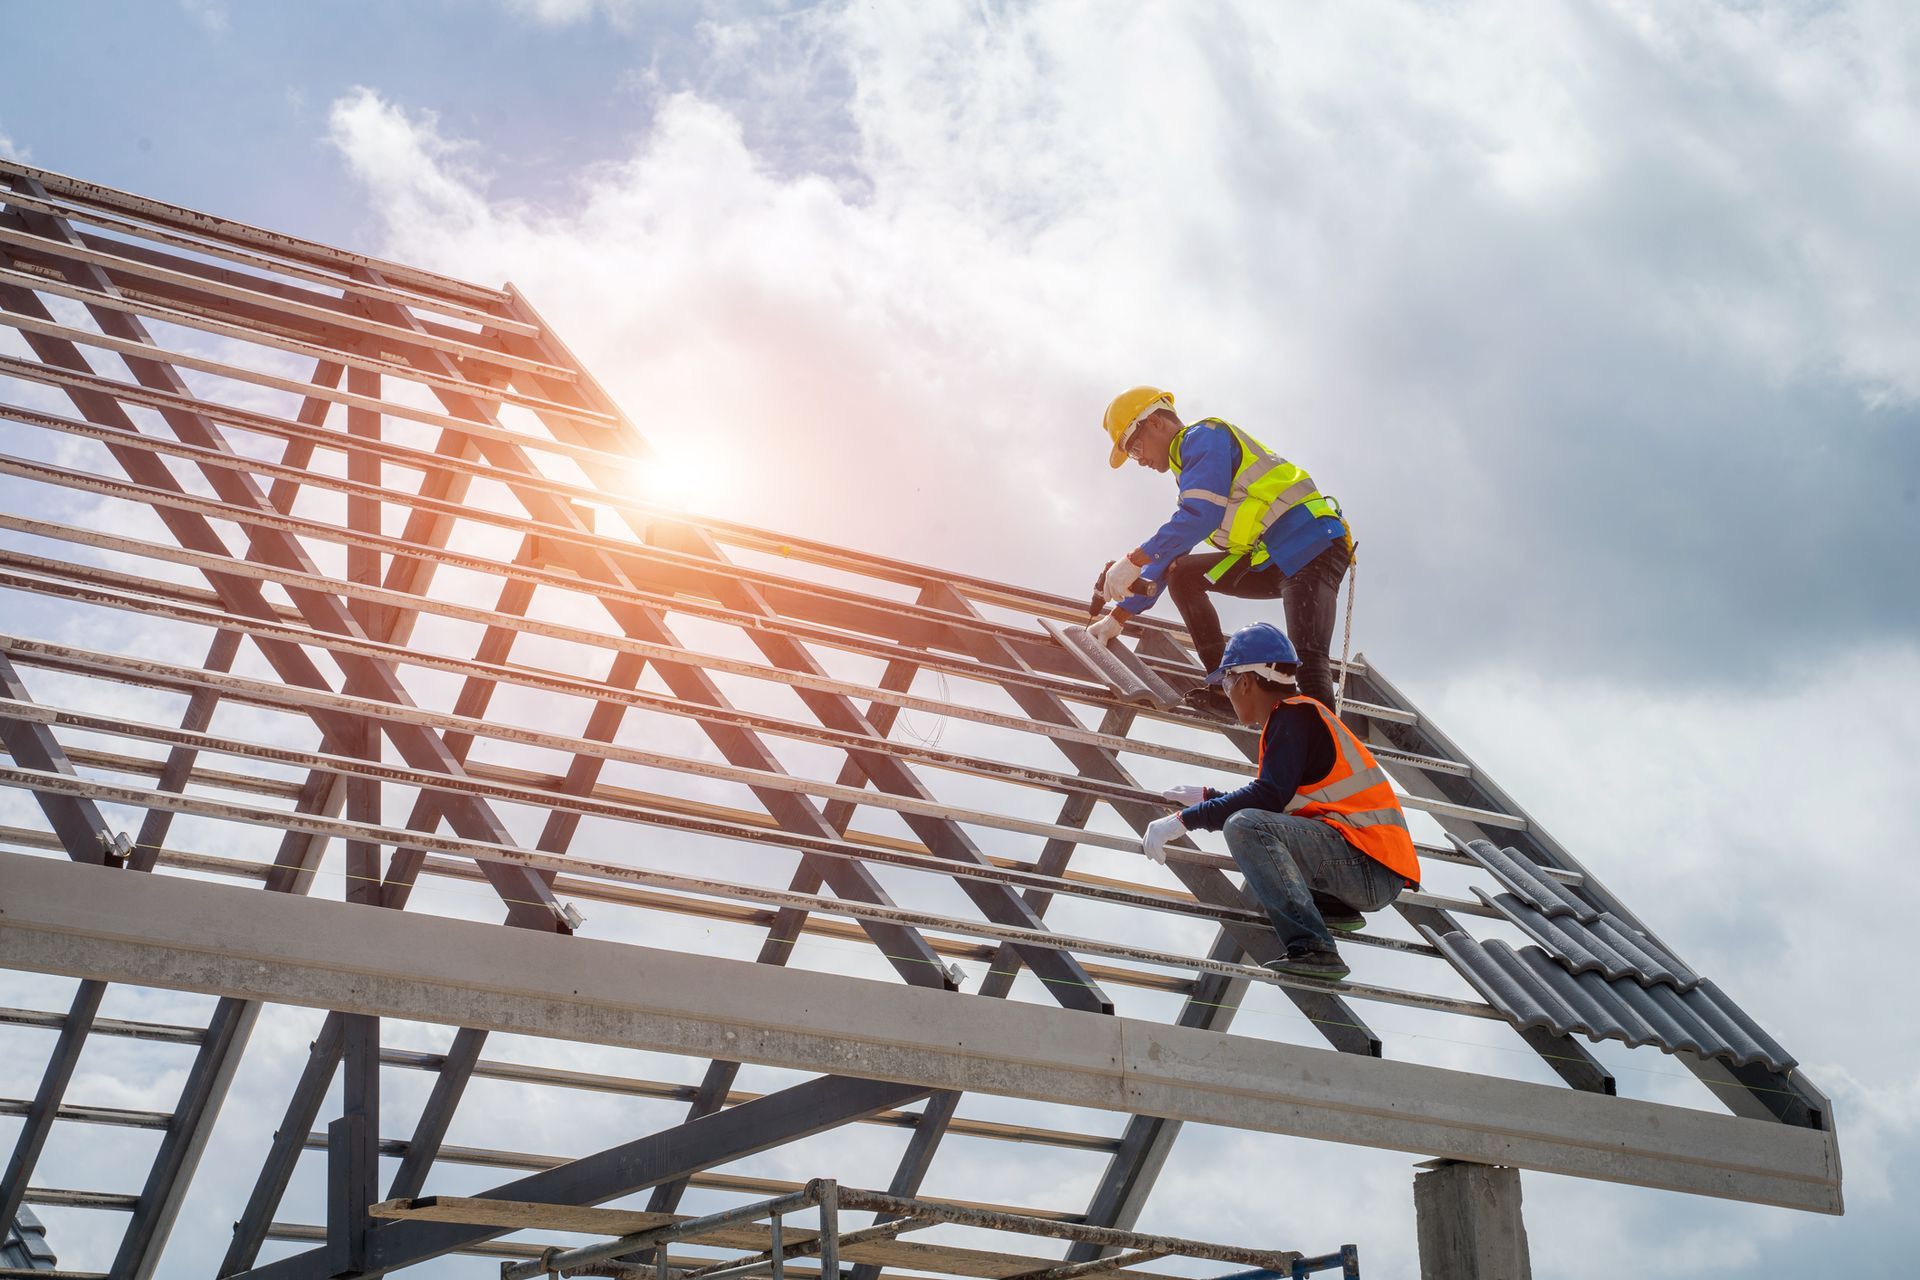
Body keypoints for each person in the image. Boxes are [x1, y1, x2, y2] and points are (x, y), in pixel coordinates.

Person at [1137, 622, 1420, 980]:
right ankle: (1331, 907)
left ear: (1245, 681)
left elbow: (1267, 799)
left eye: (1225, 682)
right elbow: (1280, 803)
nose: (1226, 692)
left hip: (1366, 867)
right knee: (1252, 824)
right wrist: (1210, 798)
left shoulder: (1293, 716)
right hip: (1368, 867)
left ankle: (1313, 946)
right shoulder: (1299, 717)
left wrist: (1186, 820)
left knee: (1245, 827)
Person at [1087, 386, 1353, 715]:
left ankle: (1325, 756)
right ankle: (1223, 685)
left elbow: (1200, 516)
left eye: (1136, 446)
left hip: (1309, 543)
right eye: (1132, 454)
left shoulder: (1202, 438)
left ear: (1155, 422)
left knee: (1309, 659)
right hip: (1268, 558)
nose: (1138, 459)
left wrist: (1133, 560)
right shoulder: (1189, 467)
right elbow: (1175, 549)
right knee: (1183, 574)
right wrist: (1119, 617)